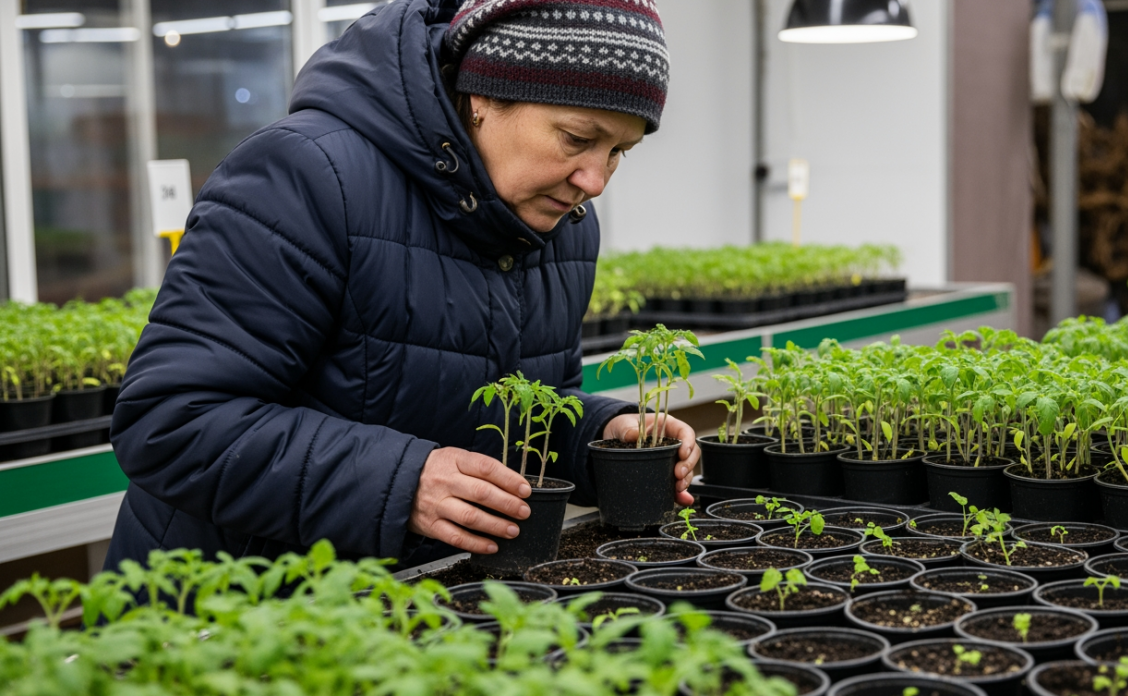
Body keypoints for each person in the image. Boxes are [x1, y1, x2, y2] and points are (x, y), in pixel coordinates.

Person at [103, 0, 696, 572]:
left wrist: (602, 435)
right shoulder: (305, 178)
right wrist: (402, 482)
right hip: (237, 616)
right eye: (576, 138)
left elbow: (522, 415)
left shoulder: (561, 226)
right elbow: (171, 420)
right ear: (486, 93)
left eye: (619, 151)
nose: (594, 181)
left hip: (418, 602)